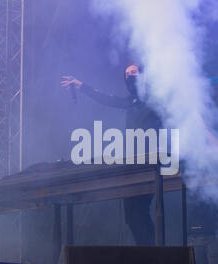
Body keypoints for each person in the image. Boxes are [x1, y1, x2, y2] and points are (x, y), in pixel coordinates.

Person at [60, 64, 161, 245]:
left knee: (141, 210)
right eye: (127, 74)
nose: (130, 76)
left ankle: (153, 252)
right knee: (131, 215)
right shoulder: (130, 102)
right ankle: (147, 251)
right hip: (132, 164)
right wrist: (82, 86)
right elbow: (107, 99)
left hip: (150, 162)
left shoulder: (156, 100)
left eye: (134, 72)